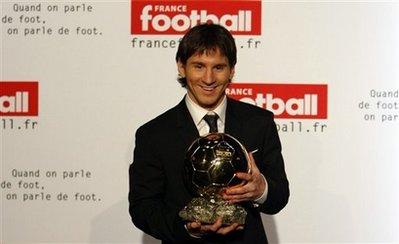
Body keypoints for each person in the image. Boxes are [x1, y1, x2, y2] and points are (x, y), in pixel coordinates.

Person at [129, 23, 289, 243]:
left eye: (218, 67)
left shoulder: (259, 123)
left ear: (232, 70)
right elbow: (143, 208)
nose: (208, 79)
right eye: (199, 66)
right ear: (181, 67)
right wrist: (187, 227)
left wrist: (261, 189)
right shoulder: (154, 134)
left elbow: (279, 197)